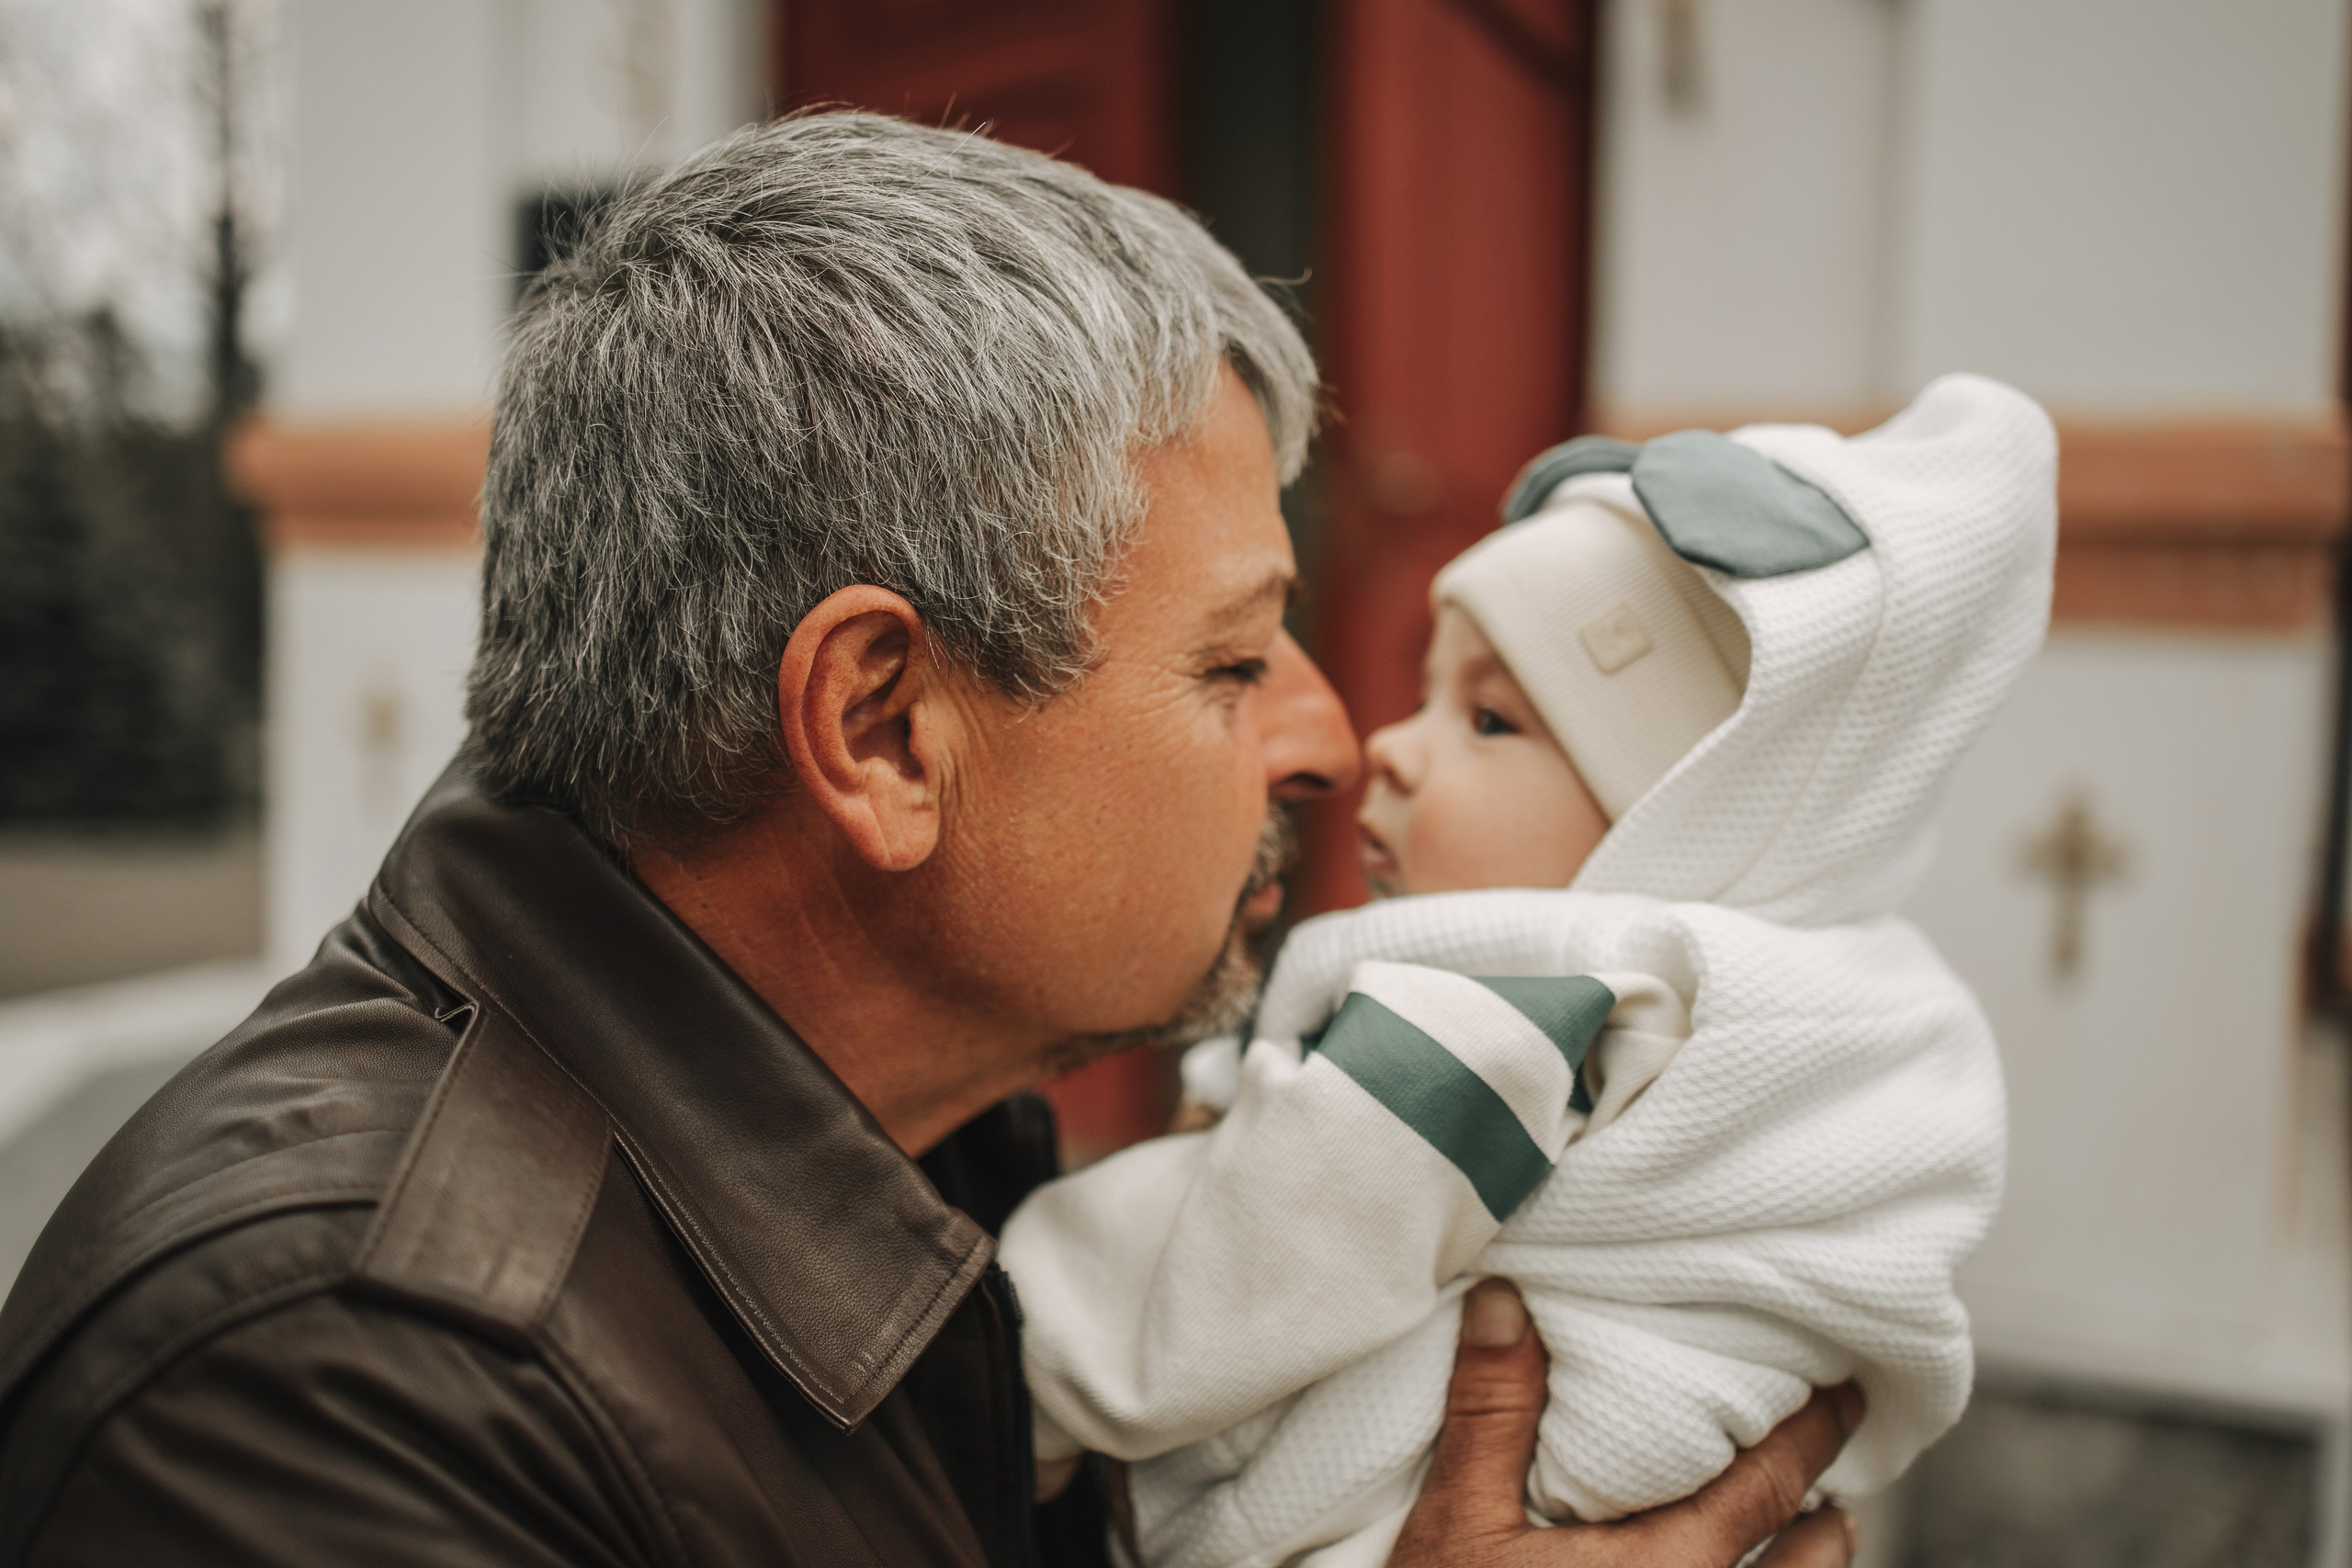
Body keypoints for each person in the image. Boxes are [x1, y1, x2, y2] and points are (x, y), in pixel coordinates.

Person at [0, 114, 1858, 1566]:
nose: (1321, 735)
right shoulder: (340, 1380)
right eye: (1230, 659)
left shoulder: (924, 1127)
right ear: (880, 728)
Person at [1001, 377, 2057, 1566]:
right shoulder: (1864, 1007)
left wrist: (1036, 1348)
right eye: (1427, 692)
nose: (1392, 748)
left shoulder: (1527, 997)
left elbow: (1277, 1241)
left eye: (1489, 723)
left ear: (1675, 821)